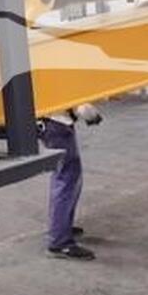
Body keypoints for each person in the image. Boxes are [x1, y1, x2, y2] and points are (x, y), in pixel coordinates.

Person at [40, 103, 102, 260]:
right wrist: (92, 114)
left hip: (50, 122)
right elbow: (80, 105)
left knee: (65, 177)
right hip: (57, 124)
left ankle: (61, 228)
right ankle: (60, 242)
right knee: (66, 179)